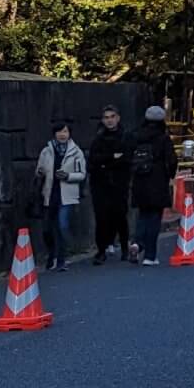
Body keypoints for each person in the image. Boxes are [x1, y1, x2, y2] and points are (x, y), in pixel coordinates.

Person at [33, 119, 86, 271]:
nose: (62, 135)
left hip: (67, 194)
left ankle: (62, 258)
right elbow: (39, 170)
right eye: (59, 131)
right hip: (49, 193)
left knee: (62, 226)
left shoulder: (76, 152)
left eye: (65, 131)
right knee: (48, 229)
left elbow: (82, 174)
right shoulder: (47, 151)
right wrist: (41, 172)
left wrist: (68, 176)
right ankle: (52, 254)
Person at [128, 105, 177, 266]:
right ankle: (150, 255)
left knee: (143, 215)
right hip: (157, 181)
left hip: (139, 181)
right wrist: (170, 175)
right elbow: (172, 161)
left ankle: (136, 242)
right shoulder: (163, 139)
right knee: (155, 218)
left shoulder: (136, 136)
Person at [85, 104, 131, 265]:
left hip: (119, 182)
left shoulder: (125, 136)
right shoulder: (98, 138)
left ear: (118, 118)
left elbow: (126, 159)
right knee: (102, 217)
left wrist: (107, 161)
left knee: (120, 215)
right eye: (106, 117)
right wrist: (111, 158)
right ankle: (101, 250)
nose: (109, 120)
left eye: (112, 117)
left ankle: (125, 247)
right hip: (100, 183)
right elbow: (93, 161)